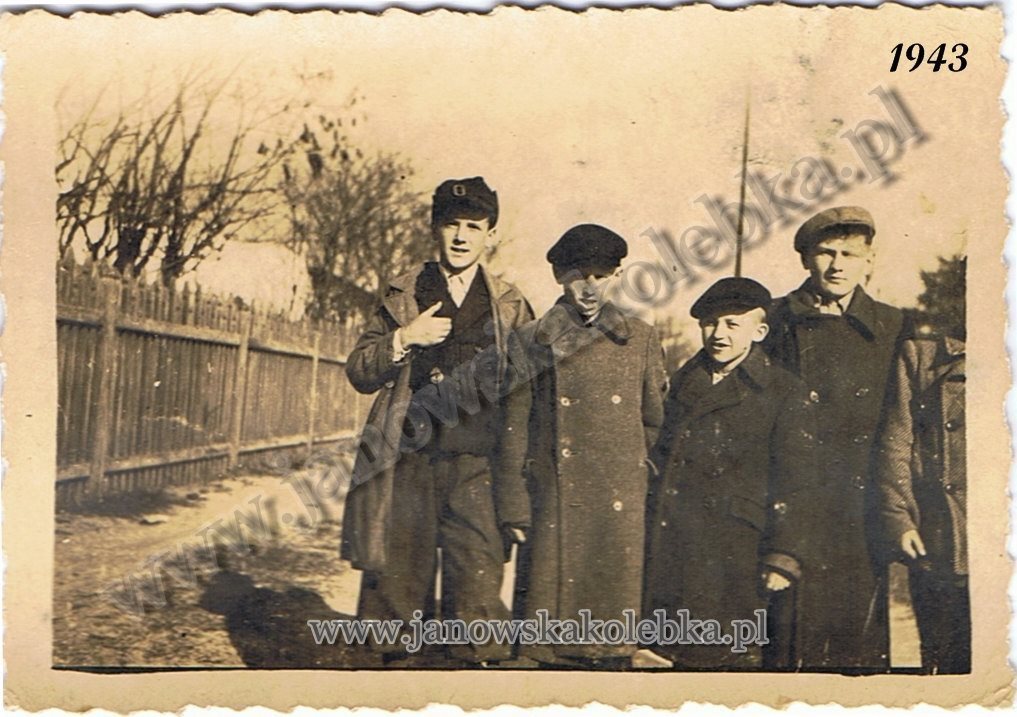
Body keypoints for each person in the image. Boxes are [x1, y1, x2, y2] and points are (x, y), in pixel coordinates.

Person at [340, 177, 534, 665]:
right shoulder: (404, 294)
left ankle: (468, 680)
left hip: (477, 465)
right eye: (452, 225)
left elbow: (526, 393)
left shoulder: (510, 304)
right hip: (409, 459)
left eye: (474, 227)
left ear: (491, 235)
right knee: (397, 587)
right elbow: (360, 370)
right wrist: (405, 337)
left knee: (477, 589)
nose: (462, 237)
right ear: (434, 228)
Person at [505, 224, 667, 668]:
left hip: (618, 501)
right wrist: (515, 506)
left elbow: (654, 422)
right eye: (579, 276)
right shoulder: (531, 340)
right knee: (547, 649)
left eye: (601, 275)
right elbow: (514, 429)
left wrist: (632, 472)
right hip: (555, 499)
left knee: (610, 645)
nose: (590, 288)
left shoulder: (640, 338)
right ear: (559, 276)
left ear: (617, 276)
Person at [763, 206, 908, 671]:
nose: (837, 265)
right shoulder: (773, 320)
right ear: (806, 258)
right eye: (826, 253)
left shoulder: (892, 325)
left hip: (858, 509)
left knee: (855, 651)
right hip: (788, 506)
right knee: (785, 649)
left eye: (850, 254)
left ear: (870, 260)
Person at [644, 277, 815, 669]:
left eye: (732, 324)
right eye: (710, 323)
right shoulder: (680, 384)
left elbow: (799, 481)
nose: (719, 334)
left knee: (724, 659)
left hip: (737, 551)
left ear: (759, 332)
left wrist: (784, 554)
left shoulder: (783, 390)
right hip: (674, 545)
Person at [876, 331, 968, 674]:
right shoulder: (922, 356)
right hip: (941, 534)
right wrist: (899, 517)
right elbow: (896, 443)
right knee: (943, 654)